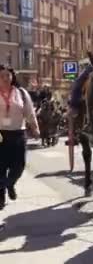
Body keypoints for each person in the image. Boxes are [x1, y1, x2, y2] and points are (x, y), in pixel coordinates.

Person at [0, 65, 39, 210]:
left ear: (12, 77)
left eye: (7, 75)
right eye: (2, 76)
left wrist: (35, 127)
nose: (5, 78)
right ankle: (1, 198)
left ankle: (10, 183)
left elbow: (29, 112)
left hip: (18, 133)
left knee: (19, 166)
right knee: (0, 168)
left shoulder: (21, 93)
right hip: (0, 134)